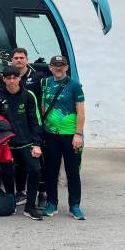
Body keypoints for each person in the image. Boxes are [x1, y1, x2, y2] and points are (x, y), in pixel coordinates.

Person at [41, 55, 86, 220]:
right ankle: (51, 203)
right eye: (55, 65)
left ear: (66, 67)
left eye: (62, 65)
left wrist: (78, 134)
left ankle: (74, 206)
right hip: (50, 134)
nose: (58, 68)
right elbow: (43, 105)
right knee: (50, 170)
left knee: (72, 172)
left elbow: (80, 111)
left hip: (70, 135)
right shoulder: (45, 83)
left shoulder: (74, 85)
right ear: (50, 67)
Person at [0, 66, 44, 220]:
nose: (11, 81)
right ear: (4, 79)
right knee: (7, 173)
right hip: (6, 144)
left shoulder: (28, 95)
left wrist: (37, 144)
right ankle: (10, 202)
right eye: (8, 78)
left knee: (35, 170)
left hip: (26, 142)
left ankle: (30, 206)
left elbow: (35, 121)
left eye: (14, 77)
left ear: (19, 78)